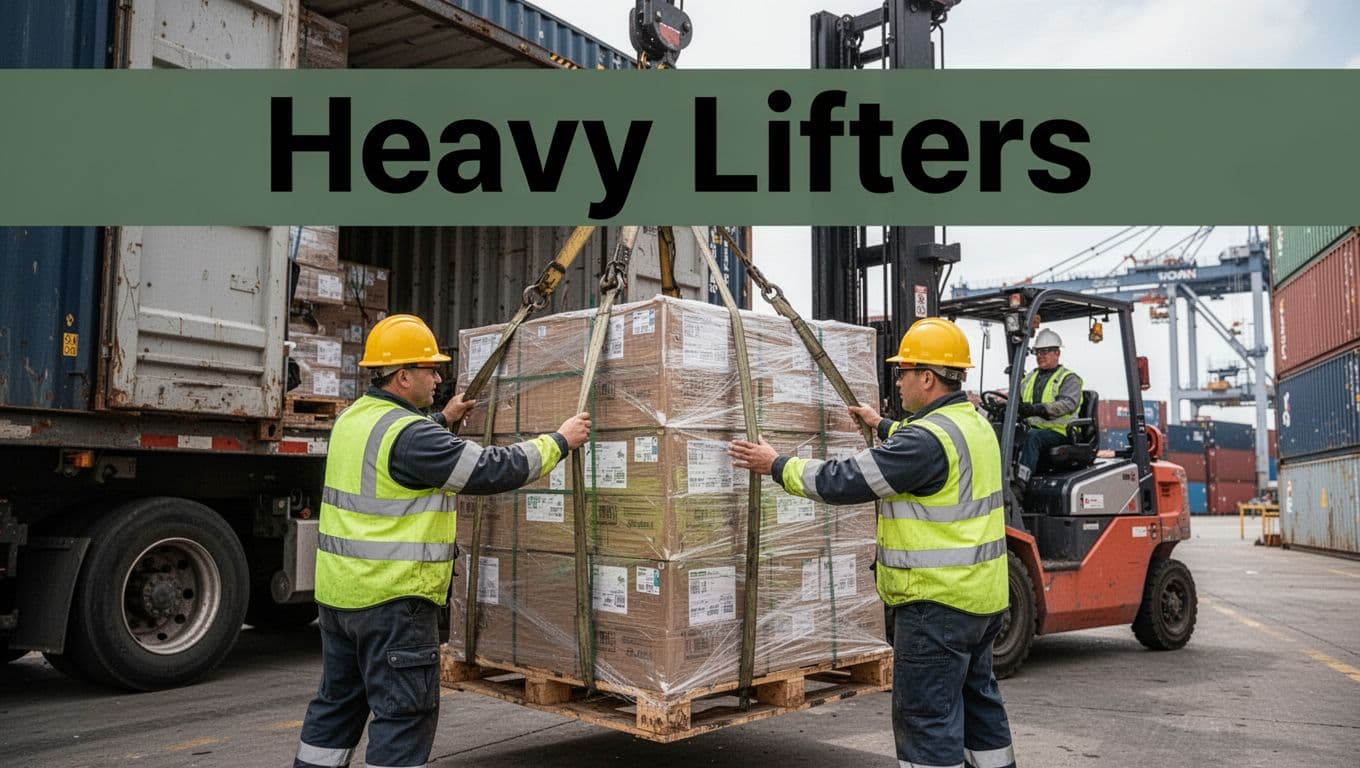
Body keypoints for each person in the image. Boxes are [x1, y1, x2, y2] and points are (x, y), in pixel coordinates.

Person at [294, 314, 591, 768]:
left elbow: (399, 452)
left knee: (336, 709)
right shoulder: (412, 436)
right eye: (430, 369)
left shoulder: (355, 419)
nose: (438, 377)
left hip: (340, 601)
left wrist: (442, 418)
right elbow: (491, 468)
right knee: (403, 717)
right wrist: (559, 440)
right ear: (403, 376)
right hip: (394, 602)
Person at [730, 317, 1016, 768]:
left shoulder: (925, 441)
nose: (897, 381)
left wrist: (776, 464)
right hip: (982, 600)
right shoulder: (974, 425)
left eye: (903, 372)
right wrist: (880, 423)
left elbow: (845, 480)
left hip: (934, 604)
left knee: (927, 721)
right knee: (981, 707)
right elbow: (917, 450)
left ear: (927, 377)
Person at [1014, 328, 1083, 495]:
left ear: (1057, 353)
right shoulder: (1030, 377)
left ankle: (1019, 485)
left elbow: (1067, 404)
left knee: (1032, 438)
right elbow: (1016, 396)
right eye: (1038, 352)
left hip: (1061, 433)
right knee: (1007, 434)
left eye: (1045, 352)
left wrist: (1038, 409)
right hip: (1035, 430)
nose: (1040, 356)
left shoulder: (1069, 378)